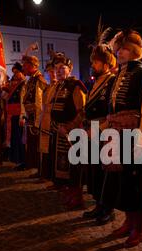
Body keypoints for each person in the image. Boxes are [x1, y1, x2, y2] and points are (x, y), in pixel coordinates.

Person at [105, 29, 142, 247]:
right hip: (117, 134)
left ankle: (140, 227)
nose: (120, 52)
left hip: (136, 136)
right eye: (119, 48)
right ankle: (128, 221)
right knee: (123, 182)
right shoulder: (119, 74)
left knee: (136, 183)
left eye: (125, 49)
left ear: (135, 51)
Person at [82, 25, 117, 225]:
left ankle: (108, 208)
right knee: (94, 171)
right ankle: (98, 204)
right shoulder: (96, 81)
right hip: (91, 131)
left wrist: (99, 129)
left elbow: (111, 109)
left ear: (105, 63)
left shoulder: (112, 81)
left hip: (104, 131)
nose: (92, 64)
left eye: (96, 61)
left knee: (105, 172)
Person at [44, 52, 87, 209]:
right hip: (59, 131)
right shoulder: (59, 86)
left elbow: (82, 111)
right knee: (63, 167)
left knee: (74, 167)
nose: (58, 71)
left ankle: (78, 197)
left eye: (62, 68)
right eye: (56, 68)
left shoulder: (76, 86)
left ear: (70, 69)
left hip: (72, 133)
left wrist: (68, 127)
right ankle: (69, 193)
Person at [19, 55, 47, 174]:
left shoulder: (39, 80)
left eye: (25, 66)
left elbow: (40, 101)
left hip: (36, 117)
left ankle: (40, 169)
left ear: (32, 66)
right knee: (31, 144)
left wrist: (37, 121)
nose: (23, 68)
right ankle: (35, 167)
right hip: (30, 116)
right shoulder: (31, 80)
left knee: (37, 145)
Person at [38, 56, 58, 180]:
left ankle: (52, 175)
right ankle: (45, 173)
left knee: (53, 150)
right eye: (50, 71)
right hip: (45, 120)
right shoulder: (48, 87)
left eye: (53, 71)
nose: (52, 74)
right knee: (45, 149)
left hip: (53, 122)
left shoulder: (60, 86)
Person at [3, 63, 26, 166]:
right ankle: (15, 157)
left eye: (17, 72)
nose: (16, 75)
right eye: (14, 73)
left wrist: (22, 115)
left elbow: (22, 101)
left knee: (19, 138)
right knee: (14, 138)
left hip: (19, 114)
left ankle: (21, 159)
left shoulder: (24, 84)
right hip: (12, 115)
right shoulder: (15, 84)